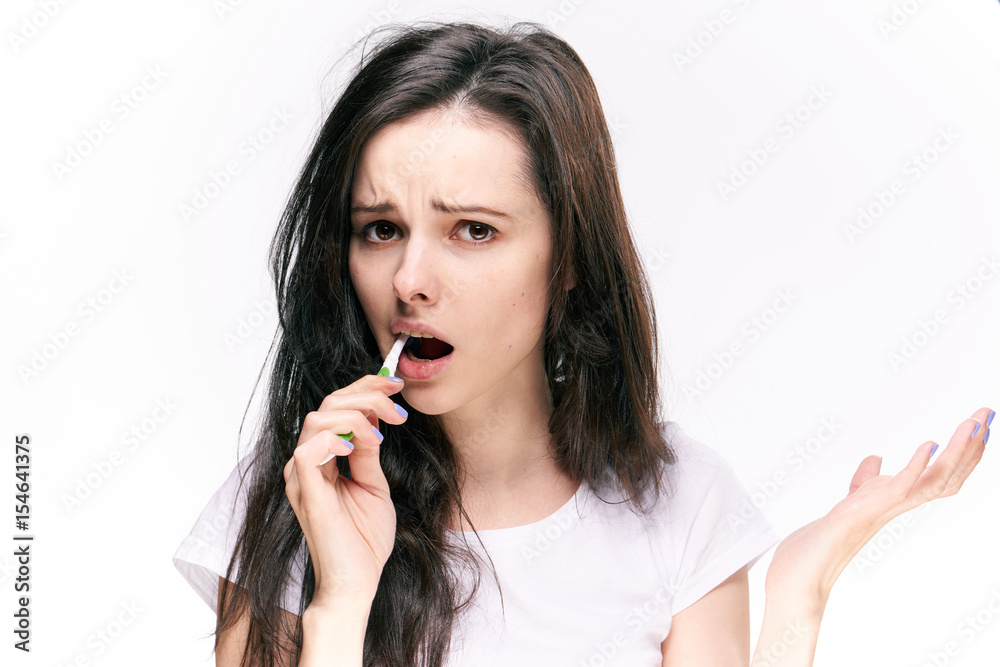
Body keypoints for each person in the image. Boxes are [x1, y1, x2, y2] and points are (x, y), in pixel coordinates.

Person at [172, 20, 992, 666]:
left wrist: (800, 589)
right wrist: (341, 602)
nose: (410, 279)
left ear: (568, 257)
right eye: (381, 229)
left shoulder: (683, 509)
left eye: (474, 230)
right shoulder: (296, 498)